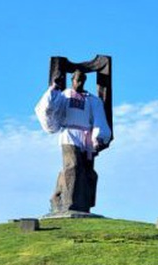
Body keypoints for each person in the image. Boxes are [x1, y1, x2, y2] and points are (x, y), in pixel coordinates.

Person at [35, 69, 111, 213]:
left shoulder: (91, 99)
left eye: (82, 80)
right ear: (72, 80)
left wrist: (98, 137)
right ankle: (68, 204)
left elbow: (99, 119)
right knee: (73, 166)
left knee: (86, 171)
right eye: (77, 79)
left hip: (87, 139)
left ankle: (79, 203)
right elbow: (49, 108)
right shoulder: (65, 96)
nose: (80, 83)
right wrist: (54, 89)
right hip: (69, 135)